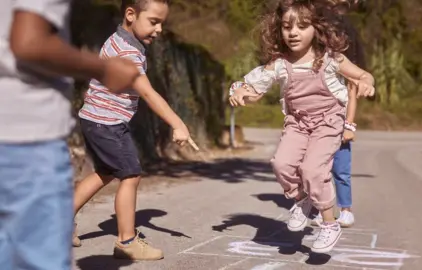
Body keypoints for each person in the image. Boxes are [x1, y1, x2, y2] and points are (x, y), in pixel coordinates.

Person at [0, 0, 140, 269]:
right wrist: (103, 69)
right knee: (39, 259)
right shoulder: (123, 47)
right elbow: (29, 41)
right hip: (27, 137)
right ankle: (127, 239)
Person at [229, 0, 374, 253]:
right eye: (287, 27)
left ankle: (329, 224)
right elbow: (255, 89)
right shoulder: (279, 63)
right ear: (279, 30)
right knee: (281, 164)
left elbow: (363, 75)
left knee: (313, 170)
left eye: (302, 26)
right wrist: (241, 91)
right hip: (297, 123)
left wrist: (366, 83)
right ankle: (301, 199)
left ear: (316, 29)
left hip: (328, 122)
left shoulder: (331, 59)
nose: (293, 32)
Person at [72, 0, 196, 261]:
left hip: (95, 118)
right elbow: (149, 94)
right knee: (131, 174)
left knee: (106, 171)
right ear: (131, 14)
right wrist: (177, 123)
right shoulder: (126, 53)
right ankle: (126, 241)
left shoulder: (122, 42)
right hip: (106, 122)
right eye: (153, 21)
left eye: (162, 23)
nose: (159, 29)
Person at [312, 0, 367, 228]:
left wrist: (350, 125)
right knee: (319, 169)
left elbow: (352, 96)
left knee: (341, 171)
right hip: (318, 124)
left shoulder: (345, 71)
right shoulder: (318, 67)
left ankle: (345, 209)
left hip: (340, 125)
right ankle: (323, 208)